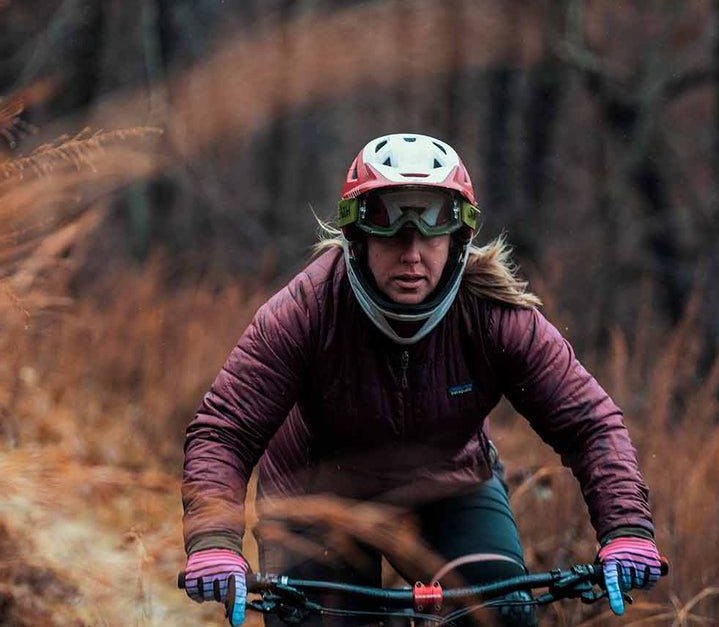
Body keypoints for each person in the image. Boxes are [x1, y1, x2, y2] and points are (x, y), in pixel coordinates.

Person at [181, 133, 665, 626]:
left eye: (431, 232)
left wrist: (625, 528)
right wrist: (215, 541)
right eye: (392, 231)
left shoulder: (495, 315)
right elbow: (225, 431)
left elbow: (590, 424)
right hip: (315, 496)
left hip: (450, 489)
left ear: (457, 239)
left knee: (500, 617)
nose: (411, 254)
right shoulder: (307, 310)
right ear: (358, 236)